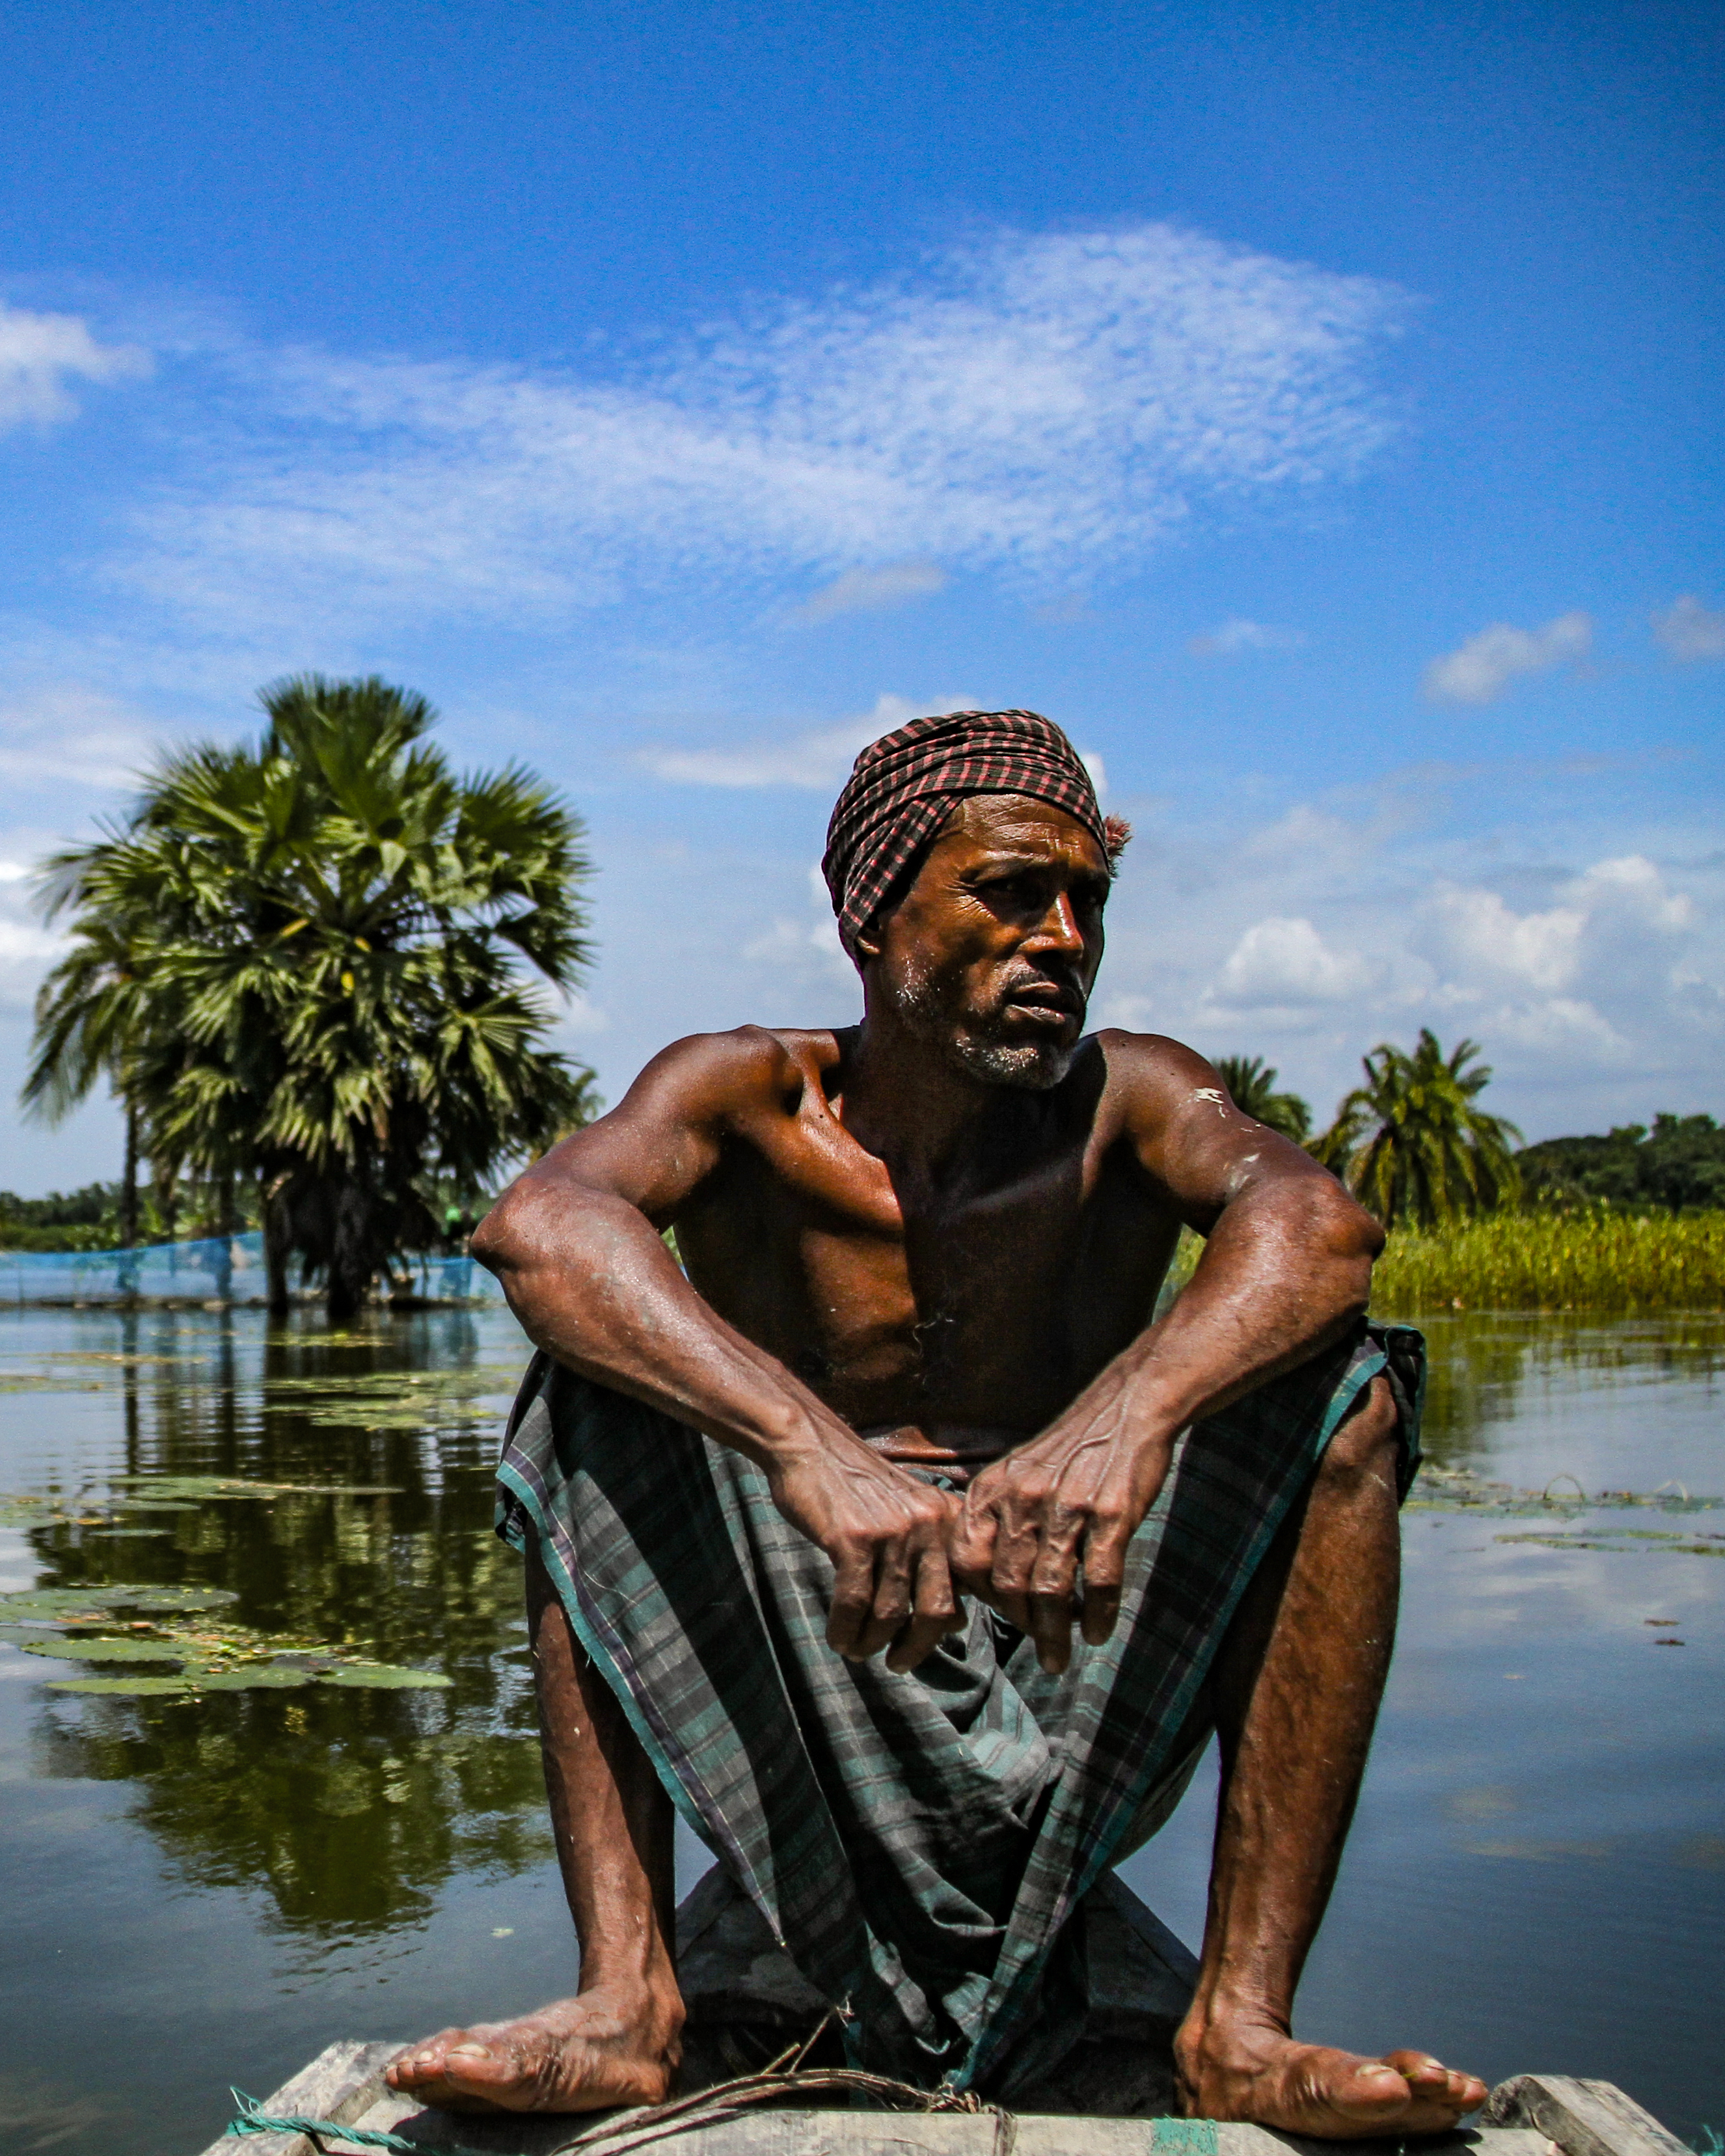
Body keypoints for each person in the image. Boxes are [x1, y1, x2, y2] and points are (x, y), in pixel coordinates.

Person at [388, 710, 1485, 2134]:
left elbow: (1319, 1228)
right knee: (585, 1390)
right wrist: (807, 1444)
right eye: (1009, 892)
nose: (1062, 937)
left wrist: (1128, 1414)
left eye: (1086, 901)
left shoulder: (1130, 1099)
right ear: (870, 916)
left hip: (1062, 1632)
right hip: (828, 1633)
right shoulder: (745, 1094)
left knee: (1347, 1402)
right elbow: (540, 1225)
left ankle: (1239, 2023)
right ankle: (626, 1999)